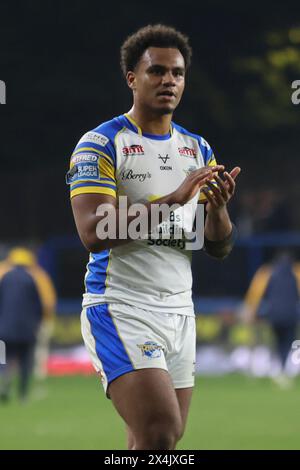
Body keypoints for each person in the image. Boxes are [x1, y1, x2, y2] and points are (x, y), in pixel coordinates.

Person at [67, 24, 241, 450]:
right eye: (157, 71)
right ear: (132, 78)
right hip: (121, 305)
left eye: (178, 73)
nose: (169, 81)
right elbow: (94, 231)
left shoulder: (198, 149)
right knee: (160, 431)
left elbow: (218, 247)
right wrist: (177, 196)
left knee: (153, 444)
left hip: (181, 310)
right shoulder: (101, 144)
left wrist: (216, 210)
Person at [0, 248, 56, 401]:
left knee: (4, 358)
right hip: (26, 329)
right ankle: (22, 395)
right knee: (25, 362)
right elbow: (42, 304)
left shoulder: (4, 277)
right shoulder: (34, 278)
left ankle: (5, 379)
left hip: (4, 328)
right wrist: (39, 322)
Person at [243, 252, 300, 386]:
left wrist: (250, 311)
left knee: (276, 342)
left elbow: (255, 293)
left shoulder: (267, 272)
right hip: (291, 316)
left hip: (273, 315)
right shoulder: (296, 271)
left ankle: (277, 371)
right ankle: (284, 371)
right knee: (288, 343)